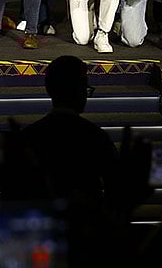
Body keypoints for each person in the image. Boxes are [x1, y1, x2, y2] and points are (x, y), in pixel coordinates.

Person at [19, 55, 119, 208]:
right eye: (85, 88)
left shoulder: (27, 137)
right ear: (80, 90)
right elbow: (114, 189)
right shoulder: (96, 137)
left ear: (49, 89)